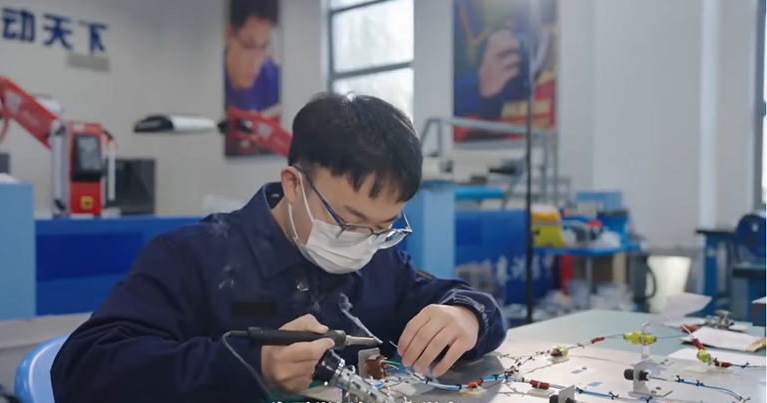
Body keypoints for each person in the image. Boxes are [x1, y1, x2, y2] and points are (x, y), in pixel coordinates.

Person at [50, 93, 507, 403]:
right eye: (349, 221)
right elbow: (82, 369)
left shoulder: (378, 261)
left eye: (383, 227)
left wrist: (467, 316)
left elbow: (466, 303)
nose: (363, 242)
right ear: (293, 183)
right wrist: (250, 365)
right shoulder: (192, 258)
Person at [224, 0, 280, 156]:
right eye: (249, 46)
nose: (255, 62)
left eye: (262, 48)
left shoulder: (272, 79)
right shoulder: (212, 84)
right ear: (228, 35)